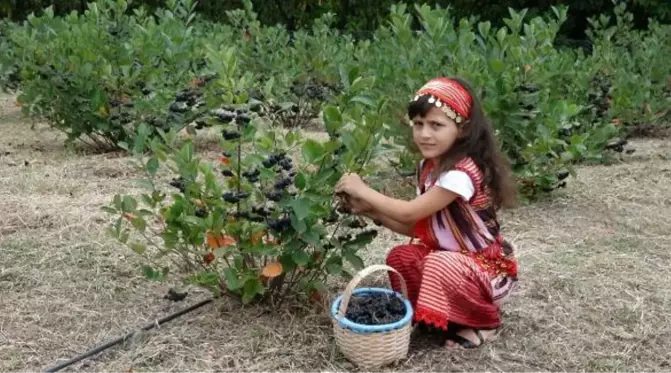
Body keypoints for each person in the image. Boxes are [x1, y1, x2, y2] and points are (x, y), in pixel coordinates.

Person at [335, 76, 519, 349]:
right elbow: (420, 227)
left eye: (436, 125)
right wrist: (371, 211)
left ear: (463, 129)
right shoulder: (430, 167)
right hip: (455, 263)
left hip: (484, 269)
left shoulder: (461, 174)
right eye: (418, 124)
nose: (424, 134)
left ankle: (484, 322)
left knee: (438, 263)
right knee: (402, 257)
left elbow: (409, 212)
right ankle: (438, 315)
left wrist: (363, 190)